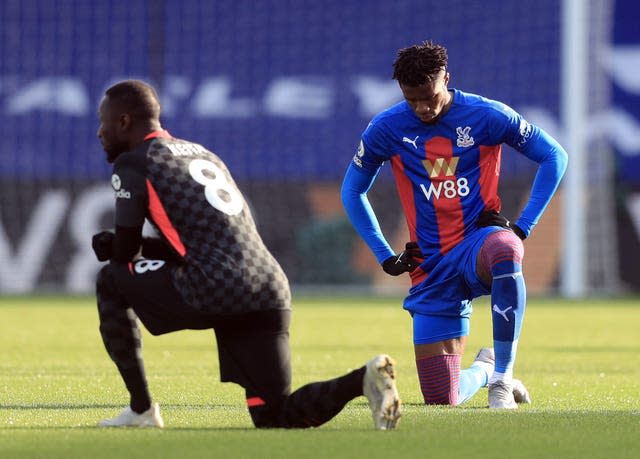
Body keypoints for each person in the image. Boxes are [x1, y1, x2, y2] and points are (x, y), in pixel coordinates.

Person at [92, 79, 401, 429]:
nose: (100, 132)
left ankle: (141, 409)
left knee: (110, 279)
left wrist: (112, 245)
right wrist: (132, 245)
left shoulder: (134, 164)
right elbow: (203, 240)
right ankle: (363, 380)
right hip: (268, 286)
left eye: (103, 121)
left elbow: (127, 250)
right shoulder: (202, 153)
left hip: (216, 286)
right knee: (273, 414)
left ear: (124, 122)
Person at [341, 41, 568, 408]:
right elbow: (352, 191)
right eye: (411, 99)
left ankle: (501, 378)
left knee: (507, 248)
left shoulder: (485, 115)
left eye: (429, 96)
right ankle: (484, 368)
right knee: (441, 399)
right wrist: (385, 255)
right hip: (431, 267)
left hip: (477, 244)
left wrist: (522, 226)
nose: (422, 108)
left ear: (446, 78)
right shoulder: (386, 128)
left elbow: (554, 156)